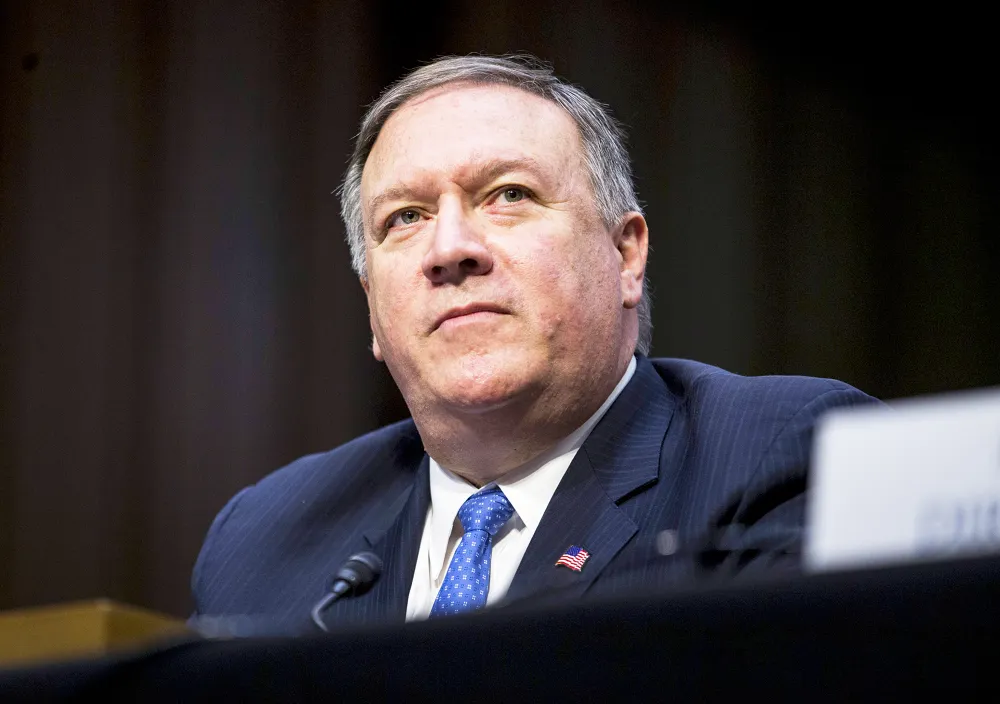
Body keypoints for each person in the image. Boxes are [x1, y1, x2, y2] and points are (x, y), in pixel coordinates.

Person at [191, 54, 878, 631]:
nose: (450, 249)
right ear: (372, 308)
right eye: (405, 217)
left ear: (625, 255)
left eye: (508, 194)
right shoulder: (265, 539)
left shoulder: (779, 460)